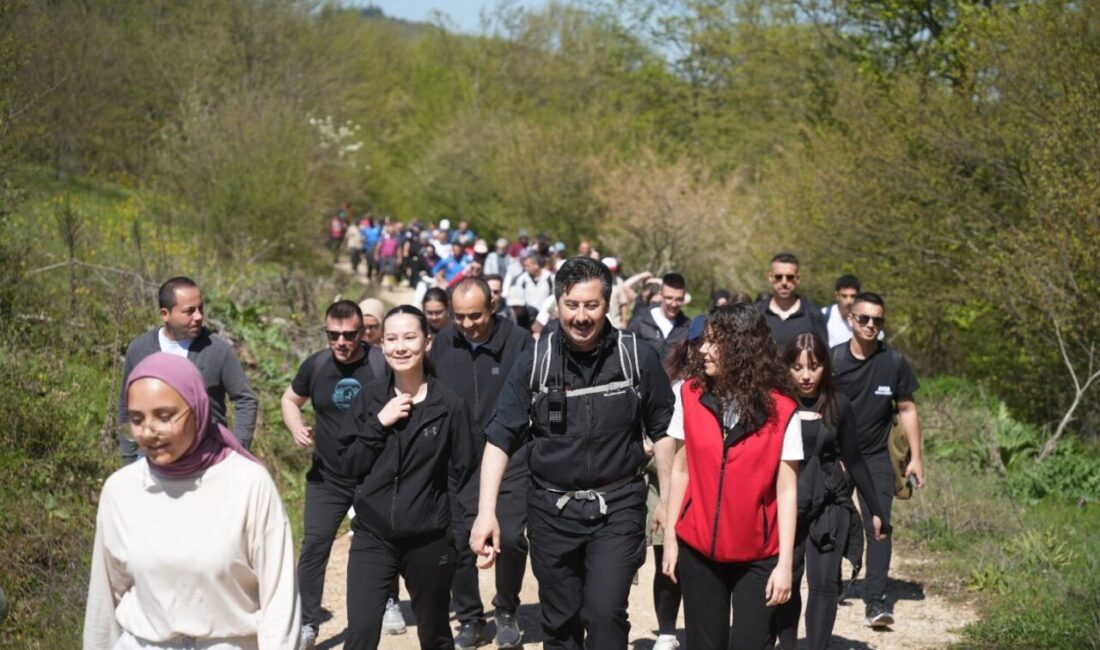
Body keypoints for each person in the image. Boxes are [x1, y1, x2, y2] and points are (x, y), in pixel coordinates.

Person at [470, 256, 676, 650]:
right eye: (572, 305)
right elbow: (499, 438)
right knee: (560, 622)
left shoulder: (636, 358)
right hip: (552, 511)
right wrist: (485, 513)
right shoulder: (536, 361)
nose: (581, 317)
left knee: (604, 613)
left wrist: (667, 501)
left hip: (617, 507)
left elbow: (664, 432)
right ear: (558, 304)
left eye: (591, 305)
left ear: (608, 304)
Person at [85, 353, 298, 649]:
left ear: (198, 409)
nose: (148, 432)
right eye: (136, 420)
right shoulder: (120, 490)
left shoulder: (248, 484)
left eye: (164, 416)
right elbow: (104, 599)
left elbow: (280, 601)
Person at [661, 303, 802, 650]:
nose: (703, 350)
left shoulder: (784, 411)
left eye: (714, 342)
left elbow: (787, 491)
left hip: (758, 556)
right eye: (704, 341)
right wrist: (671, 539)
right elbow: (680, 470)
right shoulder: (688, 394)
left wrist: (785, 565)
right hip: (698, 550)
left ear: (742, 347)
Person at [337, 306, 477, 650]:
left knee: (435, 634)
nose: (400, 347)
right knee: (360, 635)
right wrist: (378, 424)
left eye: (409, 337)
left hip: (429, 540)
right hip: (372, 535)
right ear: (382, 345)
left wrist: (460, 538)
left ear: (427, 342)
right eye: (392, 339)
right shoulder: (369, 399)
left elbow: (465, 476)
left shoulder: (449, 405)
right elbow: (347, 464)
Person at [280, 301, 397, 647]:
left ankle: (390, 600)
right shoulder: (316, 365)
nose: (341, 342)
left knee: (384, 541)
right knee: (314, 545)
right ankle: (307, 622)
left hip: (373, 474)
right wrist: (296, 426)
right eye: (333, 335)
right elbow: (290, 400)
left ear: (363, 332)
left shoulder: (380, 364)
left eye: (349, 335)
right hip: (328, 476)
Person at [428, 278, 533, 649]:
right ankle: (470, 618)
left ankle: (506, 609)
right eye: (460, 317)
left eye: (475, 315)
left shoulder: (520, 342)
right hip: (459, 458)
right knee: (457, 540)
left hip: (510, 455)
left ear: (492, 306)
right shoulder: (443, 343)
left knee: (512, 538)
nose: (468, 324)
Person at [773, 333, 890, 649]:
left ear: (825, 366)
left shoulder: (839, 405)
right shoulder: (777, 404)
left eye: (814, 366)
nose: (806, 375)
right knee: (788, 578)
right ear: (787, 367)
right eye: (797, 367)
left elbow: (855, 460)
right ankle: (787, 645)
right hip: (787, 503)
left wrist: (876, 510)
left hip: (829, 502)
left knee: (824, 583)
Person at [831, 292, 924, 628]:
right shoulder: (834, 360)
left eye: (878, 320)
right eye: (864, 318)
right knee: (832, 523)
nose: (871, 325)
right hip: (837, 457)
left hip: (875, 457)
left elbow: (907, 408)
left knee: (880, 526)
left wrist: (916, 458)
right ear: (851, 319)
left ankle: (875, 602)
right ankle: (830, 586)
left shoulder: (893, 362)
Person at [118, 277, 257, 463]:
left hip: (207, 460)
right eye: (189, 311)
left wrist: (237, 452)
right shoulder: (140, 349)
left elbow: (245, 400)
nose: (198, 316)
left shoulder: (217, 350)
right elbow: (126, 404)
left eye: (200, 308)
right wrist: (129, 457)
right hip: (153, 458)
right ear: (165, 314)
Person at [646, 314, 706, 650]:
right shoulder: (674, 386)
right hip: (668, 479)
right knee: (666, 557)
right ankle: (667, 630)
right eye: (697, 344)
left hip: (706, 482)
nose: (704, 350)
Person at [755, 253, 828, 351]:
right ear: (770, 277)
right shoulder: (756, 313)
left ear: (798, 278)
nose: (784, 282)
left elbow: (824, 355)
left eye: (790, 277)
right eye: (778, 277)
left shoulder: (814, 314)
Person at [630, 272, 690, 361]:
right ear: (661, 294)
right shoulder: (640, 320)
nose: (674, 304)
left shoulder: (688, 327)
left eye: (679, 299)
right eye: (669, 298)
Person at [822, 275, 883, 348]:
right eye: (844, 296)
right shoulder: (823, 315)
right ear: (837, 295)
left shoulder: (868, 319)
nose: (849, 301)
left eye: (853, 296)